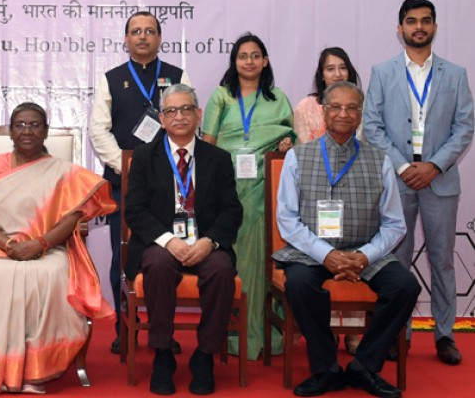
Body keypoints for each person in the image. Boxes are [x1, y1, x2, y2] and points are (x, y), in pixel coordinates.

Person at [0, 103, 116, 393]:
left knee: (50, 275)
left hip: (48, 249)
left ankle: (35, 371)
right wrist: (9, 244)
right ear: (11, 132)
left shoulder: (64, 172)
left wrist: (40, 244)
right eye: (20, 125)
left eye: (35, 125)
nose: (27, 131)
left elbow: (72, 219)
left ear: (46, 131)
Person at [276, 82, 420, 398]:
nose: (344, 113)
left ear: (360, 114)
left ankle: (364, 366)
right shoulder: (298, 157)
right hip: (312, 252)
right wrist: (326, 254)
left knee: (405, 287)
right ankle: (325, 368)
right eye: (336, 107)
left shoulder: (380, 160)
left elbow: (395, 224)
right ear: (324, 112)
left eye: (352, 107)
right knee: (299, 283)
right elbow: (287, 220)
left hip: (365, 251)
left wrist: (365, 256)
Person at [363, 0, 474, 366]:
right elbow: (372, 126)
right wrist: (401, 166)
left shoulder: (455, 74)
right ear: (401, 28)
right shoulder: (382, 72)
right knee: (397, 261)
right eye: (412, 21)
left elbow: (464, 127)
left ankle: (445, 334)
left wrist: (434, 166)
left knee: (442, 260)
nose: (419, 27)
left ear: (435, 27)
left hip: (439, 180)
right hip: (398, 181)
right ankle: (399, 334)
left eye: (426, 21)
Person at [125, 84, 243, 395]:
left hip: (205, 242)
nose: (179, 116)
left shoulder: (218, 158)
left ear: (198, 114)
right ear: (162, 119)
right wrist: (169, 241)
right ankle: (163, 353)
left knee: (221, 269)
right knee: (158, 264)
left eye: (186, 109)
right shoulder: (145, 156)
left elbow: (232, 210)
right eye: (171, 111)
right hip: (161, 243)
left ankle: (204, 354)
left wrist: (209, 241)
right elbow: (134, 210)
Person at [89, 11, 191, 353]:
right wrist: (126, 166)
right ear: (126, 39)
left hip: (172, 183)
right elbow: (98, 130)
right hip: (125, 183)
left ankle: (165, 332)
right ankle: (125, 330)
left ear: (160, 38)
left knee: (169, 257)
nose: (142, 37)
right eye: (136, 31)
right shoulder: (112, 79)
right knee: (124, 258)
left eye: (149, 31)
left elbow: (188, 125)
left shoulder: (177, 76)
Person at [201, 32, 294, 359]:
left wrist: (287, 143)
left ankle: (263, 332)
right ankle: (228, 333)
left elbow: (290, 139)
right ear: (234, 61)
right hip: (226, 190)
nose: (249, 61)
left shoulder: (278, 98)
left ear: (265, 61)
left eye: (256, 55)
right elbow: (208, 144)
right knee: (230, 261)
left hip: (263, 191)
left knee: (259, 260)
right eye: (243, 56)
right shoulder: (221, 97)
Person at [293, 47, 364, 354]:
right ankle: (325, 328)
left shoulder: (360, 105)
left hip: (355, 195)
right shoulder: (306, 107)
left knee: (350, 257)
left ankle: (352, 329)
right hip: (316, 196)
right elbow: (305, 153)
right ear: (321, 75)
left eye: (342, 67)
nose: (337, 73)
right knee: (321, 260)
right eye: (330, 68)